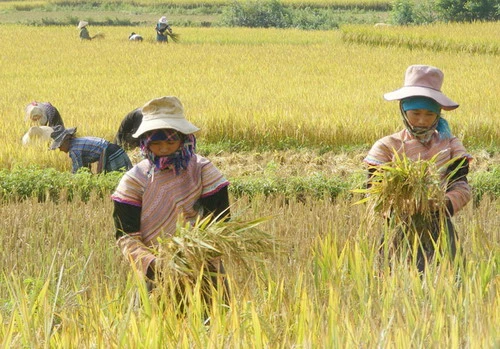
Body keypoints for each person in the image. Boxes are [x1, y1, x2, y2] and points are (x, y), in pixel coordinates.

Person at [111, 96, 231, 304]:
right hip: (155, 273)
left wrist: (197, 255)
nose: (164, 149)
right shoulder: (134, 180)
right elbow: (126, 235)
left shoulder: (203, 171)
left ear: (184, 139)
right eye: (156, 143)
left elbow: (220, 221)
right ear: (145, 143)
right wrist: (156, 264)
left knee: (213, 327)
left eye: (170, 141)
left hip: (203, 269)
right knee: (152, 330)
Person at [364, 65, 472, 272]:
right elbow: (374, 191)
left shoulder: (451, 146)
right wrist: (401, 204)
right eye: (415, 113)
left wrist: (442, 203)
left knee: (447, 285)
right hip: (398, 229)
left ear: (438, 114)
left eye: (429, 115)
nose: (422, 120)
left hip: (440, 228)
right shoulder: (387, 146)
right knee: (392, 282)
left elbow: (462, 187)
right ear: (403, 110)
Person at [49, 125, 132, 174]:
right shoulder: (77, 143)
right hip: (113, 149)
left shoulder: (74, 150)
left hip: (110, 154)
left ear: (65, 141)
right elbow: (85, 168)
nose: (60, 149)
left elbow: (78, 170)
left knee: (117, 178)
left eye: (59, 146)